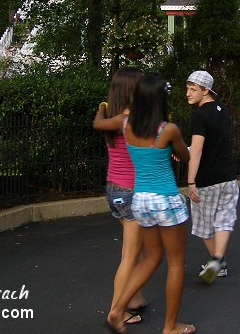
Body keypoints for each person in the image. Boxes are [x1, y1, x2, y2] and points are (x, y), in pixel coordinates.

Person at [107, 74, 194, 334]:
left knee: (151, 257)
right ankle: (170, 326)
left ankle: (117, 309)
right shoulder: (168, 130)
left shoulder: (126, 126)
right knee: (176, 263)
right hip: (166, 199)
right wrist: (174, 151)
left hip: (141, 201)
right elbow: (185, 156)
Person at [93, 67, 148, 327]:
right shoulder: (133, 121)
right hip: (132, 193)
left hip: (113, 189)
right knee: (130, 254)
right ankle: (118, 311)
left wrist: (103, 106)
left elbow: (97, 121)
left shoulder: (112, 119)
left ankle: (134, 296)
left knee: (136, 248)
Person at [185, 70, 239, 285]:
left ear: (206, 91)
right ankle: (218, 261)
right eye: (187, 88)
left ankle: (218, 261)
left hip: (207, 179)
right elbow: (214, 143)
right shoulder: (222, 110)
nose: (188, 94)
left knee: (204, 224)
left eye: (193, 89)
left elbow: (197, 149)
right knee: (224, 219)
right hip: (228, 176)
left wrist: (190, 182)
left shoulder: (199, 115)